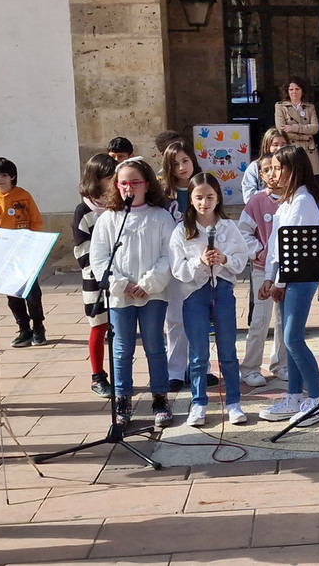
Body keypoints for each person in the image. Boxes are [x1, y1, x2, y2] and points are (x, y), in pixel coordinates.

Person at [88, 157, 176, 428]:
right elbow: (100, 258)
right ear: (117, 186)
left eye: (135, 182)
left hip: (152, 294)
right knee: (122, 348)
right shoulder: (109, 219)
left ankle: (160, 398)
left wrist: (147, 284)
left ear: (147, 184)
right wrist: (122, 284)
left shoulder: (160, 217)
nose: (129, 188)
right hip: (120, 295)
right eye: (123, 183)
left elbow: (169, 255)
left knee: (154, 346)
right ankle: (123, 400)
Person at [171, 174, 250, 427]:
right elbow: (178, 268)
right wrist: (199, 262)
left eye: (209, 197)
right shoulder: (182, 230)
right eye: (199, 197)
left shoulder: (228, 227)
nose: (204, 202)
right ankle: (199, 402)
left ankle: (234, 402)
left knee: (228, 349)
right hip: (194, 293)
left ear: (218, 198)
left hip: (222, 291)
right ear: (191, 200)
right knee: (198, 353)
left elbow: (241, 258)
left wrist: (224, 259)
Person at [257, 145, 319, 426]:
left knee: (293, 338)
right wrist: (268, 277)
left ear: (293, 169)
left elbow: (296, 248)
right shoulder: (285, 201)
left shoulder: (303, 201)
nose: (272, 173)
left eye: (278, 168)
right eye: (270, 168)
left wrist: (279, 282)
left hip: (300, 277)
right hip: (286, 277)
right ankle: (294, 396)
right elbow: (276, 243)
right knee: (290, 339)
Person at [0, 157, 47, 347]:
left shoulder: (24, 196)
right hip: (5, 252)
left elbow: (35, 220)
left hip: (26, 250)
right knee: (13, 293)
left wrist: (30, 241)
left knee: (32, 293)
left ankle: (38, 326)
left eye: (4, 175)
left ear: (13, 177)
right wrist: (3, 242)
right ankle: (23, 328)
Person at [159, 140, 209, 393]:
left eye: (185, 161)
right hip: (174, 262)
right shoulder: (162, 195)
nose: (181, 167)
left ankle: (202, 367)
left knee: (201, 317)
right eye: (175, 163)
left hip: (201, 261)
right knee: (175, 318)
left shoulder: (202, 186)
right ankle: (176, 370)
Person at [238, 154, 286, 387]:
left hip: (287, 271)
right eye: (265, 170)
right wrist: (259, 252)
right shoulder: (256, 201)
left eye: (275, 169)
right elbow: (243, 232)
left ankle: (281, 364)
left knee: (283, 319)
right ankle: (249, 368)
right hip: (261, 269)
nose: (271, 174)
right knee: (260, 319)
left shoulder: (294, 198)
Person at [72, 153, 117, 397]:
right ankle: (98, 376)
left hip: (121, 277)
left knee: (119, 326)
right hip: (96, 280)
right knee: (98, 326)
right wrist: (102, 269)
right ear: (96, 179)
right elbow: (81, 250)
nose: (112, 182)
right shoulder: (84, 210)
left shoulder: (119, 204)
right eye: (109, 177)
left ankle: (120, 372)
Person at [276, 75, 319, 175]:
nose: (294, 92)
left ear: (302, 90)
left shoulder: (310, 107)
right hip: (291, 148)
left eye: (297, 89)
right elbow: (281, 130)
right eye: (291, 89)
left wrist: (293, 128)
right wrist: (305, 135)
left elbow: (315, 128)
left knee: (311, 180)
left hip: (309, 149)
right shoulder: (280, 107)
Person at [241, 127, 291, 203]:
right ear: (267, 146)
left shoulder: (292, 166)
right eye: (275, 145)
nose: (279, 148)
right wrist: (273, 193)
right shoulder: (255, 167)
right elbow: (248, 196)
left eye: (283, 145)